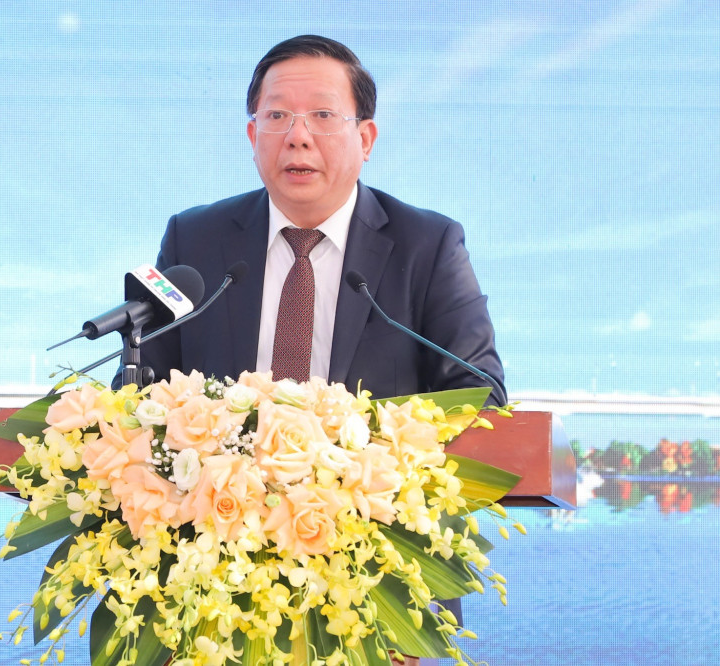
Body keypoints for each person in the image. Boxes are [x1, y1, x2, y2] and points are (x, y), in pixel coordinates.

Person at [130, 34, 505, 665]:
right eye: (277, 116)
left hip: (374, 582)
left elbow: (480, 396)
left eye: (323, 116)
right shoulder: (195, 238)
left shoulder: (428, 244)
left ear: (366, 138)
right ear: (253, 134)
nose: (297, 136)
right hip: (205, 577)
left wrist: (351, 452)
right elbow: (143, 392)